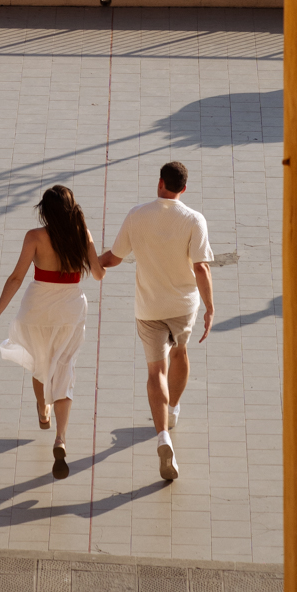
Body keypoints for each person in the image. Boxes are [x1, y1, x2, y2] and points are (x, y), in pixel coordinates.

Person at [99, 159, 214, 482]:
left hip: (149, 308)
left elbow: (113, 258)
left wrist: (88, 262)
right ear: (183, 189)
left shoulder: (137, 215)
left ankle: (162, 434)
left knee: (155, 371)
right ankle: (173, 409)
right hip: (183, 307)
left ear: (160, 183)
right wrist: (210, 307)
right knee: (180, 353)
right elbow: (201, 268)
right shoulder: (194, 219)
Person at [0, 184, 104, 479]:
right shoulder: (82, 234)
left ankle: (42, 409)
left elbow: (16, 277)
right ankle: (60, 438)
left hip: (36, 308)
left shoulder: (34, 237)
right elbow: (98, 273)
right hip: (70, 309)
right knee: (64, 369)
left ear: (45, 212)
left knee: (39, 363)